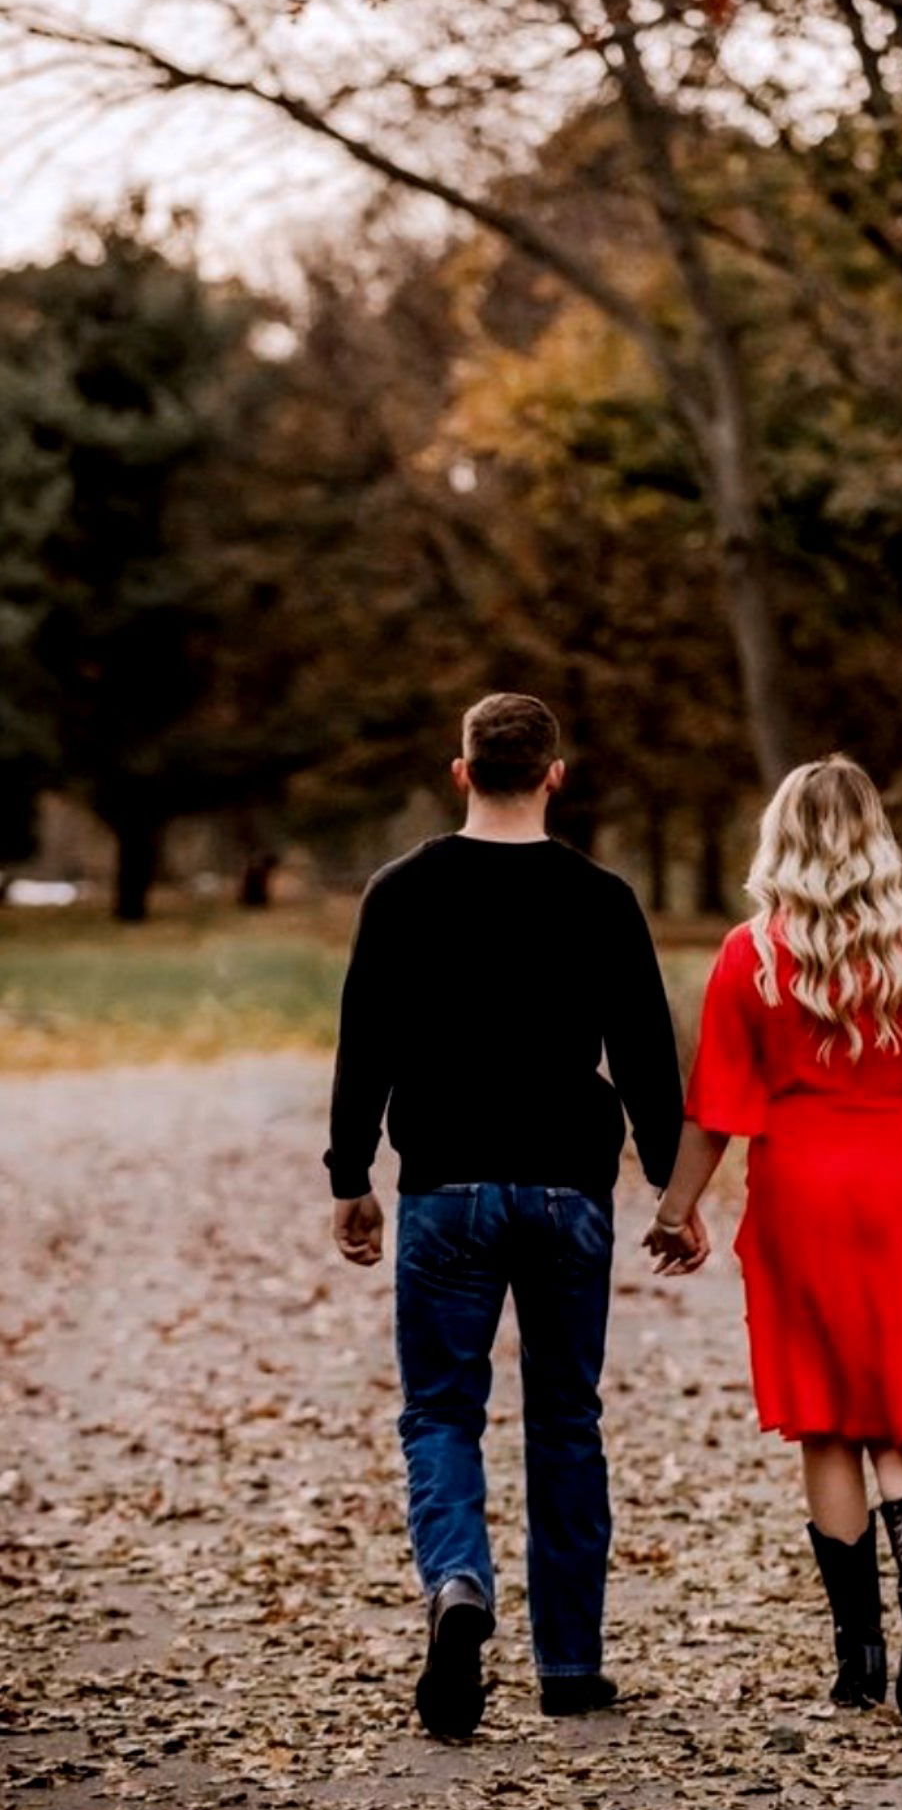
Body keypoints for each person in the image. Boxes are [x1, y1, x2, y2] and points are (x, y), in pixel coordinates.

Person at [327, 693, 684, 1740]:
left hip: (445, 1186)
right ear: (555, 775)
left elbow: (366, 1042)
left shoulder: (401, 892)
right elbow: (646, 1054)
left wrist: (351, 1174)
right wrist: (674, 1186)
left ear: (461, 771)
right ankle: (570, 1664)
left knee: (442, 1411)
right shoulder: (602, 898)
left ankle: (458, 1586)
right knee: (567, 1420)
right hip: (568, 1188)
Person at [644, 756, 902, 1726]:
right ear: (877, 835)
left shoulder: (750, 955)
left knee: (828, 1417)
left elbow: (713, 1107)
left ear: (781, 838)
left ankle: (859, 1653)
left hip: (801, 1186)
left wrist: (676, 1209)